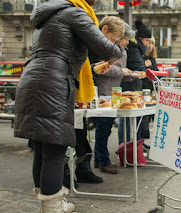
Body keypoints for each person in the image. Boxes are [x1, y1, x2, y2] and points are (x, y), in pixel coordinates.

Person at [13, 0, 121, 212]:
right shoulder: (76, 14)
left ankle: (46, 205)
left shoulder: (48, 16)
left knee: (42, 147)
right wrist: (115, 55)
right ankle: (53, 208)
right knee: (55, 148)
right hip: (53, 82)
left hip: (33, 78)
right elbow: (107, 48)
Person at [90, 16, 134, 174]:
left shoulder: (122, 51)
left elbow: (116, 71)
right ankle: (102, 160)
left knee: (106, 128)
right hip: (104, 90)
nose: (126, 42)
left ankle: (99, 159)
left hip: (115, 90)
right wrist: (122, 71)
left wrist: (129, 74)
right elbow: (104, 68)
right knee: (103, 127)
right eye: (125, 39)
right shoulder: (107, 47)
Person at [118, 20, 151, 145]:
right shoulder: (134, 49)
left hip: (133, 85)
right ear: (140, 38)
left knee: (129, 119)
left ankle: (130, 145)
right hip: (129, 86)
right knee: (126, 118)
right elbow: (139, 69)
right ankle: (125, 146)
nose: (147, 44)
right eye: (147, 41)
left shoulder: (135, 49)